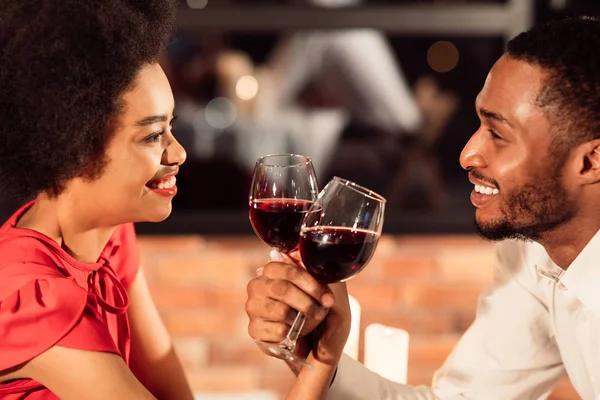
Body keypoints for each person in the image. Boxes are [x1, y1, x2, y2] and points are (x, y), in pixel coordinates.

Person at [245, 16, 600, 399]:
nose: (467, 154)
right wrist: (320, 354)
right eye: (480, 124)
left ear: (590, 162)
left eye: (497, 134)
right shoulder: (532, 253)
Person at [0, 1, 195, 398]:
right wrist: (319, 361)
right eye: (153, 136)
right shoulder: (31, 299)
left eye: (170, 128)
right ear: (77, 150)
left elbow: (173, 391)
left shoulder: (111, 236)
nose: (178, 154)